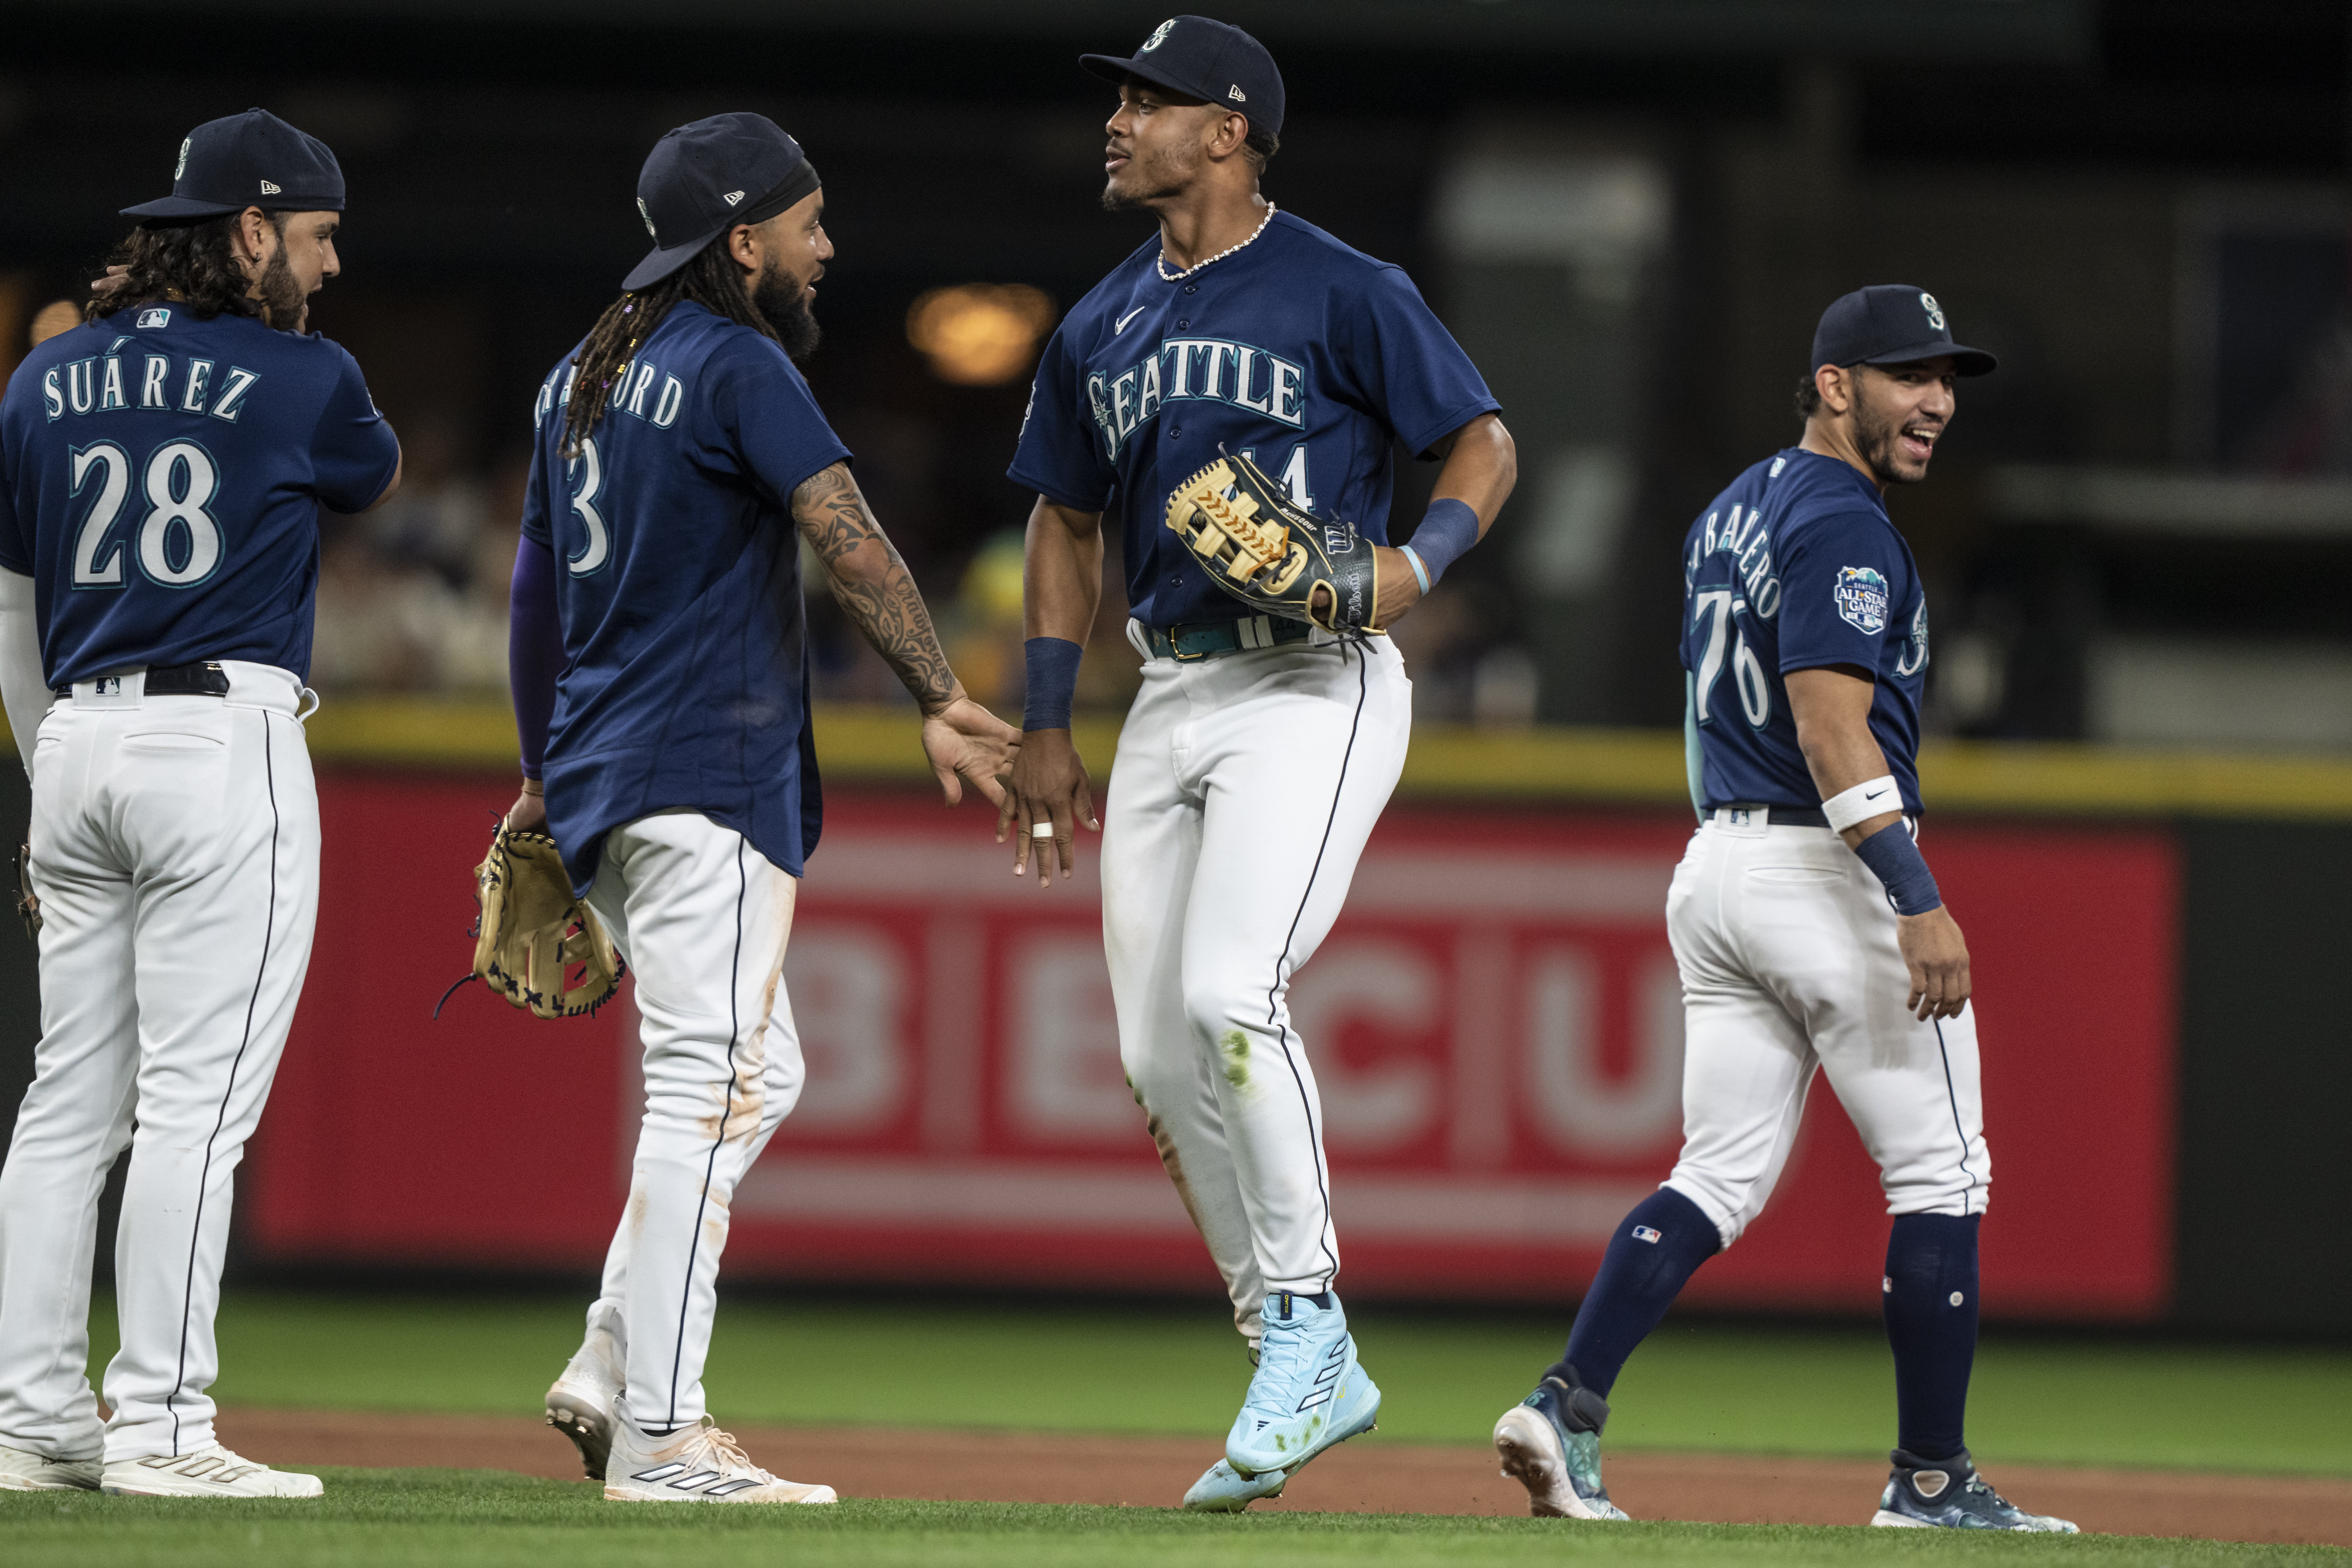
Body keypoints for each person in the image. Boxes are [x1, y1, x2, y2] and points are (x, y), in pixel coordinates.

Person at [1000, 17, 1517, 1511]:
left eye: (1145, 101)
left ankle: (1301, 1319)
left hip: (1315, 681)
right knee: (1156, 1057)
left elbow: (1478, 440)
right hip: (1168, 690)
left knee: (1234, 992)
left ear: (1227, 131)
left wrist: (1415, 566)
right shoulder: (1099, 322)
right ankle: (1297, 1348)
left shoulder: (1347, 288)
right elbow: (1064, 520)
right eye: (1118, 100)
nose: (1117, 122)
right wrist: (1046, 718)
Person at [1491, 286, 2076, 1534]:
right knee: (1943, 1170)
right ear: (1832, 385)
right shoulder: (1847, 524)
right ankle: (1929, 1483)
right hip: (1827, 864)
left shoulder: (1734, 508)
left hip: (1716, 867)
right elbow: (1824, 721)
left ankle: (1568, 1406)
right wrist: (1912, 894)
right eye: (1907, 376)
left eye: (1947, 379)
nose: (1937, 402)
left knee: (1719, 1171)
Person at [510, 112, 1016, 1506]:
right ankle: (666, 1437)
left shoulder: (577, 378)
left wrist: (541, 775)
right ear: (742, 242)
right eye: (806, 223)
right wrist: (933, 688)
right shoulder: (734, 360)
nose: (824, 246)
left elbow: (534, 594)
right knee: (707, 1087)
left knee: (757, 1073)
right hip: (704, 772)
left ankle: (615, 1360)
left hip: (610, 779)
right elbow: (843, 532)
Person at [0, 109, 401, 1498]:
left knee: (67, 1103)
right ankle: (162, 1425)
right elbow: (367, 475)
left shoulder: (42, 377)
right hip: (217, 741)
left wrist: (46, 767)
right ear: (248, 232)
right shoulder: (307, 374)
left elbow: (10, 598)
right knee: (198, 1103)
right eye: (317, 232)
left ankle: (30, 1422)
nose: (331, 264)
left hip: (76, 747)